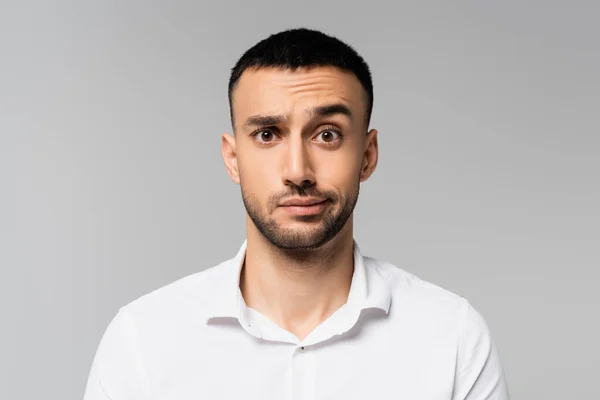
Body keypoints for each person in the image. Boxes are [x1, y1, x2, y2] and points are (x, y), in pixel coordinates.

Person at [83, 28, 510, 399]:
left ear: (368, 155)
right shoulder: (143, 340)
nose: (297, 172)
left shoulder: (451, 335)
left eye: (327, 135)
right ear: (233, 159)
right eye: (268, 134)